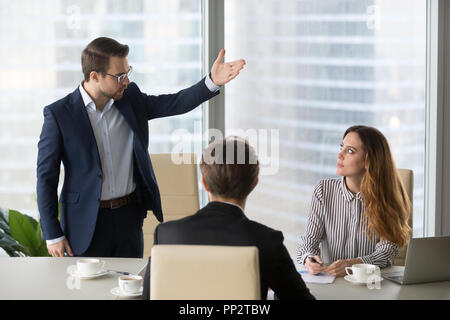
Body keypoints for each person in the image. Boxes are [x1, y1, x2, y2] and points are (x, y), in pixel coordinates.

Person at [37, 37, 245, 258]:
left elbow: (175, 102)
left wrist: (212, 81)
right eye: (119, 76)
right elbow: (46, 177)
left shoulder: (130, 99)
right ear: (94, 76)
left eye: (128, 72)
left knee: (131, 287)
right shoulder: (59, 115)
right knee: (88, 292)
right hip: (84, 222)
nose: (126, 81)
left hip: (128, 217)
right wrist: (53, 234)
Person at [142, 137, 315, 300]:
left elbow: (149, 296)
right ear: (254, 184)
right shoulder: (267, 241)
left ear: (204, 182)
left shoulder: (166, 234)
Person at [297, 125, 411, 277]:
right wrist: (309, 259)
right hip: (332, 285)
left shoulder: (388, 196)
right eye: (341, 147)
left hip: (372, 286)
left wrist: (352, 265)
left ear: (369, 160)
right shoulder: (323, 190)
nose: (340, 155)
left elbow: (386, 252)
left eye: (350, 151)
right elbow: (309, 242)